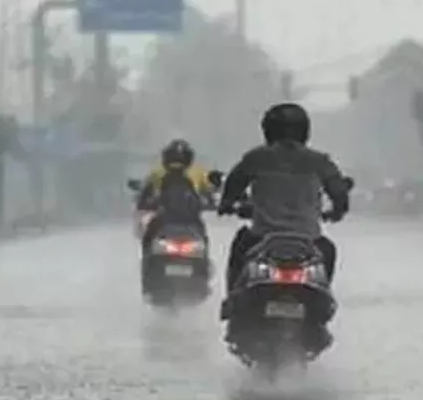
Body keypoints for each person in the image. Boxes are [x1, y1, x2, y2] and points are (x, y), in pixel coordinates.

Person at [216, 103, 350, 307]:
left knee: (239, 247)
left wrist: (227, 203)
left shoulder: (256, 157)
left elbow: (234, 183)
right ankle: (322, 304)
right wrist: (337, 211)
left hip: (260, 237)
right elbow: (339, 192)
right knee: (328, 251)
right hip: (309, 240)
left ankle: (233, 302)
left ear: (268, 129)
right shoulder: (319, 161)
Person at [136, 138, 214, 248]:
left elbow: (209, 193)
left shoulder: (198, 173)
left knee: (202, 237)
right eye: (174, 160)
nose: (177, 164)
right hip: (174, 219)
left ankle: (204, 261)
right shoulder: (158, 173)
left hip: (181, 219)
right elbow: (146, 193)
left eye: (179, 160)